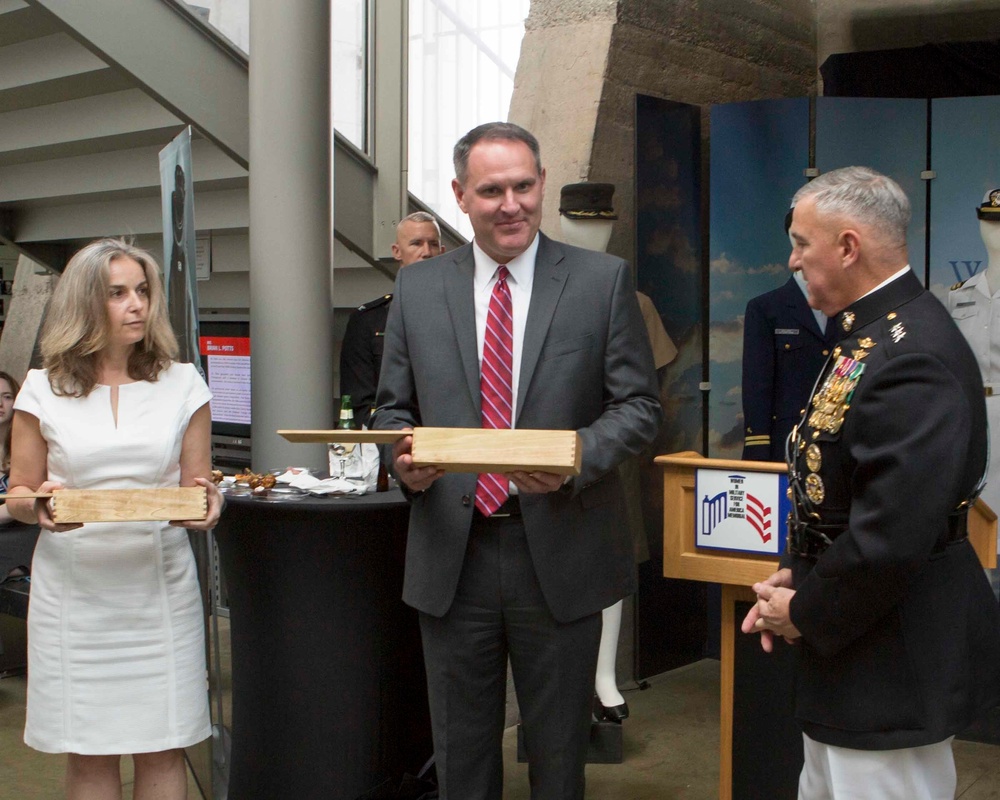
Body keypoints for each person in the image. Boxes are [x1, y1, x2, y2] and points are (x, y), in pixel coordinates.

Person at [371, 122, 662, 799]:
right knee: (462, 758)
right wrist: (403, 464)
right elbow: (392, 412)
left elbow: (640, 407)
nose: (512, 204)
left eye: (525, 186)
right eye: (492, 190)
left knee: (559, 758)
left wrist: (577, 456)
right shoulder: (418, 291)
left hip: (561, 550)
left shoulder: (601, 282)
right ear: (460, 196)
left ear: (541, 184)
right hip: (454, 554)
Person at [741, 167, 1000, 799]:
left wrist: (804, 610)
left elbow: (892, 530)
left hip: (893, 658)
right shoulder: (869, 333)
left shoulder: (909, 351)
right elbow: (837, 486)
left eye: (803, 243)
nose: (793, 259)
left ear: (849, 246)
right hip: (854, 646)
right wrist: (796, 576)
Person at [5, 238, 224, 800]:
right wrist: (41, 503)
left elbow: (196, 489)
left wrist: (208, 505)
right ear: (84, 305)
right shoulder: (41, 388)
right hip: (74, 596)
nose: (138, 306)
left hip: (159, 590)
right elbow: (18, 496)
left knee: (164, 747)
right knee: (89, 754)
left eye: (144, 291)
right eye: (119, 293)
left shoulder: (184, 384)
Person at [339, 211, 445, 426]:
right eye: (416, 244)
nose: (426, 252)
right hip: (391, 441)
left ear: (442, 251)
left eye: (433, 244)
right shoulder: (368, 320)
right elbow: (359, 403)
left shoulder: (461, 313)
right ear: (397, 251)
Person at [741, 269, 837, 461]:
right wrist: (758, 451)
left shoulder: (850, 307)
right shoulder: (766, 308)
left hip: (839, 445)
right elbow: (757, 386)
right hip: (787, 445)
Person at [0, 370, 22, 525]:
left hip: (20, 534)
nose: (0, 403)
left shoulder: (27, 448)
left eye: (7, 397)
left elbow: (32, 501)